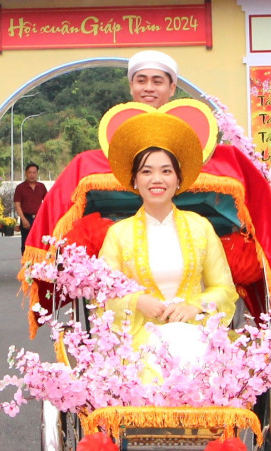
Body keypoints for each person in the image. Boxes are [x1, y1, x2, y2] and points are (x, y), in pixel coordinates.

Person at [22, 50, 271, 318]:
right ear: (131, 87)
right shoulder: (102, 168)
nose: (149, 88)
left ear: (172, 88)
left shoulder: (207, 166)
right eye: (141, 80)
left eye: (158, 81)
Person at [96, 112, 237, 348]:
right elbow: (103, 296)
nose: (157, 179)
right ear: (134, 181)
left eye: (166, 171)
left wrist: (195, 307)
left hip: (195, 334)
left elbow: (223, 289)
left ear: (178, 180)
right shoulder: (118, 234)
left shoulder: (200, 226)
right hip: (140, 342)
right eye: (146, 171)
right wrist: (136, 301)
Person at [13, 164, 47, 250]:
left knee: (40, 242)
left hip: (39, 219)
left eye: (34, 173)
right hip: (26, 218)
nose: (32, 175)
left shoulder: (41, 186)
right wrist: (23, 219)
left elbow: (47, 201)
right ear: (26, 173)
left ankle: (38, 262)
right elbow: (17, 204)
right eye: (30, 172)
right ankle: (26, 262)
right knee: (26, 243)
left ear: (37, 174)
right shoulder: (20, 188)